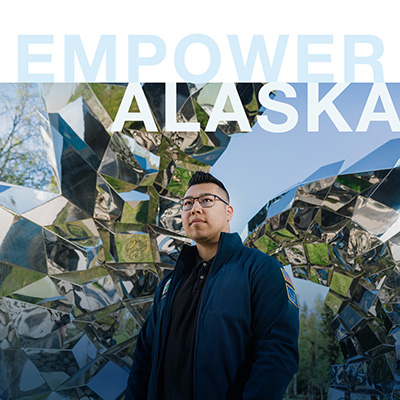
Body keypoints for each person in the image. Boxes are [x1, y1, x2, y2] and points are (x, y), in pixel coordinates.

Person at [125, 171, 299, 400]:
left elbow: (277, 353)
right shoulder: (169, 284)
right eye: (187, 203)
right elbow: (144, 358)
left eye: (206, 200)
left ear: (229, 212)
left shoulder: (260, 269)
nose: (195, 208)